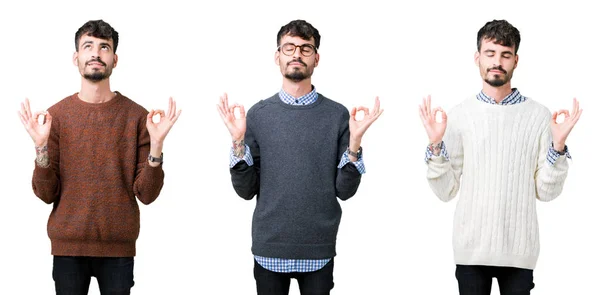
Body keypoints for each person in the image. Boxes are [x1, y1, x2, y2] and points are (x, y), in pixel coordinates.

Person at [217, 19, 383, 295]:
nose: (297, 54)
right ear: (277, 56)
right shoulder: (257, 115)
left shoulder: (338, 115)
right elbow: (246, 191)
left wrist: (355, 141)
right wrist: (237, 142)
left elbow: (345, 191)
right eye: (289, 47)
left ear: (316, 58)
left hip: (318, 247)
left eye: (306, 49)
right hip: (270, 247)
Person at [17, 19, 181, 295]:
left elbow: (147, 195)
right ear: (76, 57)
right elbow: (46, 193)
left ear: (114, 59)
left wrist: (156, 145)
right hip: (68, 248)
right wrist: (41, 147)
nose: (96, 53)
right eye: (88, 46)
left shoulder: (137, 117)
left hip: (118, 249)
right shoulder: (55, 117)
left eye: (104, 47)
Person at [418, 19, 582, 295]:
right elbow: (446, 191)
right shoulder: (459, 115)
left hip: (519, 251)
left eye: (505, 55)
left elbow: (546, 191)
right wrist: (435, 146)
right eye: (490, 53)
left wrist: (558, 145)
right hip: (471, 251)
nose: (497, 62)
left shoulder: (539, 116)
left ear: (516, 60)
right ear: (477, 58)